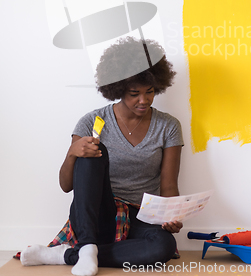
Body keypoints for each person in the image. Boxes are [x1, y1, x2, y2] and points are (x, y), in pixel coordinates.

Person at [21, 37, 184, 276]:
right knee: (93, 151)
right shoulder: (92, 122)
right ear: (118, 89)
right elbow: (66, 186)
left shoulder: (168, 126)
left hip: (141, 216)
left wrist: (172, 216)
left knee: (163, 247)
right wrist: (72, 153)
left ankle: (67, 254)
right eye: (134, 94)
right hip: (98, 215)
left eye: (149, 92)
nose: (144, 100)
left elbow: (169, 185)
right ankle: (87, 245)